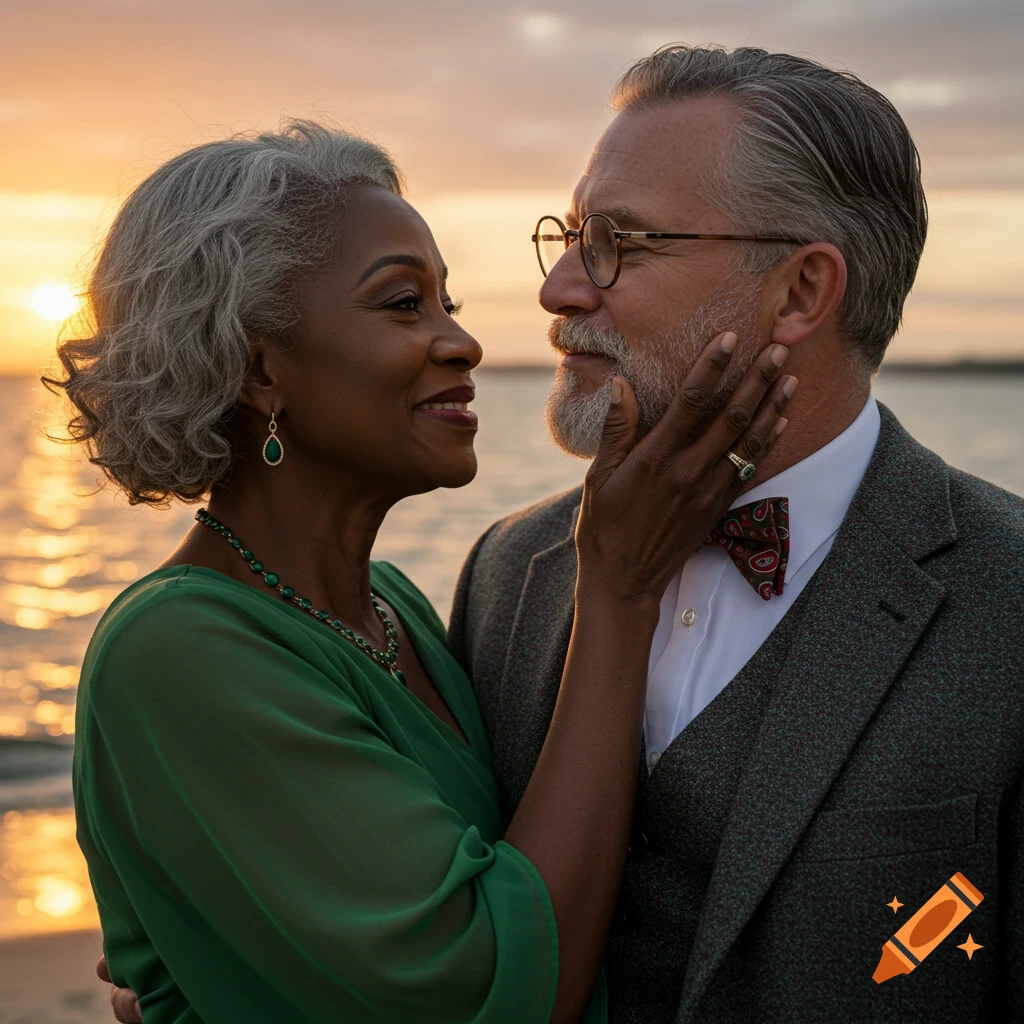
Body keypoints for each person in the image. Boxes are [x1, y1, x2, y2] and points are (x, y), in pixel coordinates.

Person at [53, 120, 794, 1023]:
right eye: (404, 305)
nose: (464, 343)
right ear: (258, 367)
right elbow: (495, 989)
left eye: (450, 301)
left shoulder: (394, 606)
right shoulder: (176, 651)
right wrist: (620, 587)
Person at [447, 45, 1024, 1023]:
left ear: (800, 291)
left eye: (619, 240)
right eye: (569, 234)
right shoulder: (509, 571)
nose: (558, 289)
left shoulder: (1005, 594)